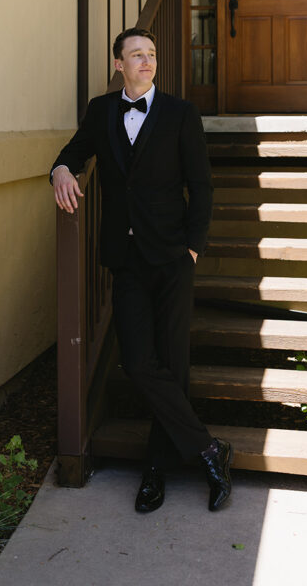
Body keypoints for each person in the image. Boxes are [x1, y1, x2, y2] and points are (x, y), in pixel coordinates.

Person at [51, 27, 232, 513]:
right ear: (119, 65)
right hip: (126, 261)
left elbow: (202, 186)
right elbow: (72, 153)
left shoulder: (180, 113)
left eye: (151, 54)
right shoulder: (100, 111)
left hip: (173, 258)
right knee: (136, 362)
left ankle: (156, 469)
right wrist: (61, 170)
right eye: (136, 55)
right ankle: (209, 448)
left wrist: (193, 248)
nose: (147, 61)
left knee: (172, 365)